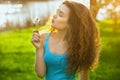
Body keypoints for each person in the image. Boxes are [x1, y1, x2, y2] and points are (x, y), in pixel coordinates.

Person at [31, 1, 101, 80]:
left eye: (60, 15)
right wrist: (39, 48)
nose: (54, 15)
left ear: (71, 24)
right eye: (57, 11)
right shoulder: (43, 38)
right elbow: (40, 74)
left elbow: (83, 77)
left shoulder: (79, 46)